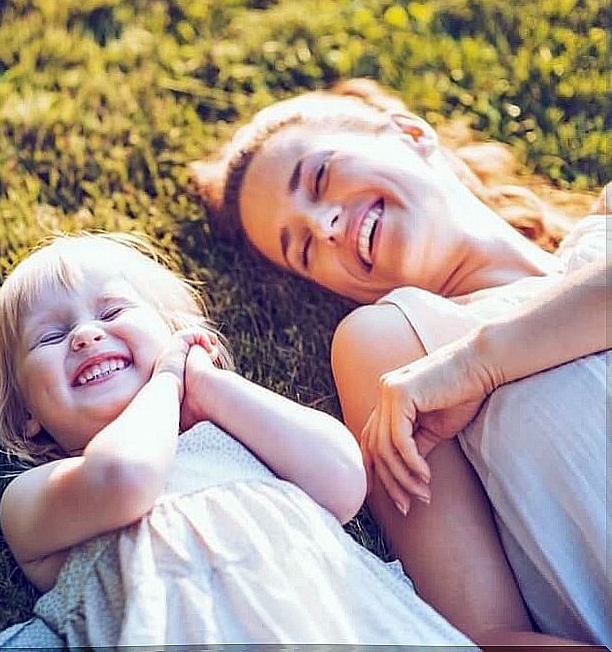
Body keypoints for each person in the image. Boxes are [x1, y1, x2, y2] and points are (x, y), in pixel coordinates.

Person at [190, 78, 608, 645]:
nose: (324, 225)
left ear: (410, 134)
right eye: (305, 249)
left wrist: (480, 364)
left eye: (319, 177)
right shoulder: (395, 347)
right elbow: (489, 635)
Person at [0, 232, 474, 647]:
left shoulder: (236, 434)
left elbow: (344, 481)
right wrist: (166, 384)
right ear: (28, 417)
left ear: (174, 335)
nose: (85, 336)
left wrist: (207, 383)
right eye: (49, 337)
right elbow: (125, 477)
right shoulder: (38, 493)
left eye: (111, 313)